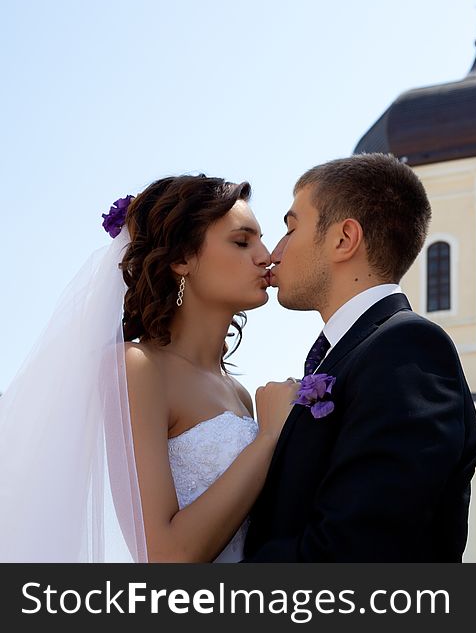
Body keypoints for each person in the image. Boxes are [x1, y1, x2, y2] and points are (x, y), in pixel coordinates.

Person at [0, 175, 298, 562]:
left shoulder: (238, 392)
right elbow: (164, 558)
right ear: (180, 260)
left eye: (261, 238)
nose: (266, 255)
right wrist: (269, 437)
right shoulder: (136, 367)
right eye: (242, 242)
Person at [244, 153, 476, 562]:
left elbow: (356, 550)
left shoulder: (407, 348)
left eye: (291, 228)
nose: (274, 253)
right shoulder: (355, 353)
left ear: (343, 239)